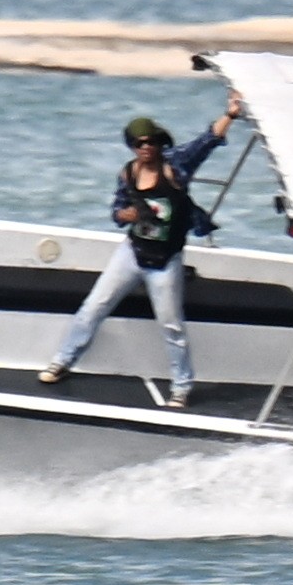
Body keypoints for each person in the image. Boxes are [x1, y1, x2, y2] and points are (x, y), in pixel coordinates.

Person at [45, 98, 239, 400]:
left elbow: (208, 140)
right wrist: (126, 215)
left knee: (171, 325)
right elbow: (117, 211)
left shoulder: (174, 165)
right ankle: (63, 361)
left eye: (151, 142)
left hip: (165, 259)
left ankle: (181, 387)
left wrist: (230, 114)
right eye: (139, 143)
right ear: (132, 146)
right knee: (93, 307)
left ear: (160, 143)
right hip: (132, 253)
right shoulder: (128, 173)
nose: (146, 147)